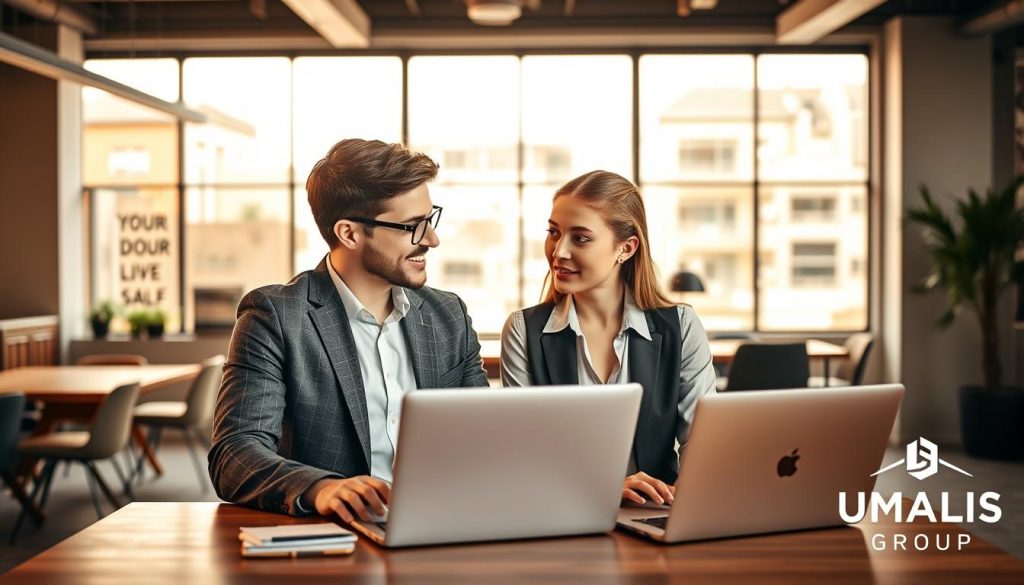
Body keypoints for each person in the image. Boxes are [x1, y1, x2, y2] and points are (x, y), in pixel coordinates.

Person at [209, 139, 488, 523]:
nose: (431, 239)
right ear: (350, 233)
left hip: (442, 528)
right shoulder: (275, 317)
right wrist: (322, 488)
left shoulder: (447, 315)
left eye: (430, 219)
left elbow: (483, 439)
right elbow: (235, 454)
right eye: (412, 226)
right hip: (335, 538)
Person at [500, 170, 716, 507]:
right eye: (554, 233)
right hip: (562, 513)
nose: (559, 252)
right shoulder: (523, 331)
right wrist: (601, 489)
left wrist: (687, 506)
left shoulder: (681, 326)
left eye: (580, 238)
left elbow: (702, 444)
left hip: (657, 512)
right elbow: (525, 454)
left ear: (626, 248)